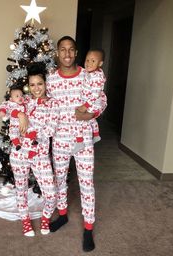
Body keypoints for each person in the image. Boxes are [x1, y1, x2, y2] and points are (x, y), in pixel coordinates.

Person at [46, 36, 107, 252]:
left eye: (71, 49)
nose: (67, 54)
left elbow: (102, 98)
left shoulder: (88, 75)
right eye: (63, 50)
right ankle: (62, 215)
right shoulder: (51, 79)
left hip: (83, 139)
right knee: (59, 178)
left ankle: (88, 228)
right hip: (61, 138)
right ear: (57, 53)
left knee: (86, 182)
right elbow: (46, 105)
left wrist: (92, 113)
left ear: (76, 52)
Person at [9, 62, 59, 237]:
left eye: (40, 84)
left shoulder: (53, 104)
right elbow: (7, 108)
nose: (36, 88)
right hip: (19, 153)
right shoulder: (24, 101)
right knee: (21, 189)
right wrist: (21, 114)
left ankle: (45, 218)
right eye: (32, 85)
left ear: (45, 84)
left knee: (51, 193)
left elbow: (50, 130)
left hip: (40, 155)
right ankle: (25, 221)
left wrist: (31, 130)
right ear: (28, 86)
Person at [74, 49, 107, 151]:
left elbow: (95, 95)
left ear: (100, 63)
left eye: (93, 61)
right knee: (91, 120)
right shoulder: (92, 72)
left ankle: (79, 142)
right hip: (91, 102)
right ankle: (96, 135)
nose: (88, 63)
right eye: (87, 60)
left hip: (93, 102)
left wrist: (85, 106)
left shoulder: (97, 77)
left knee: (78, 120)